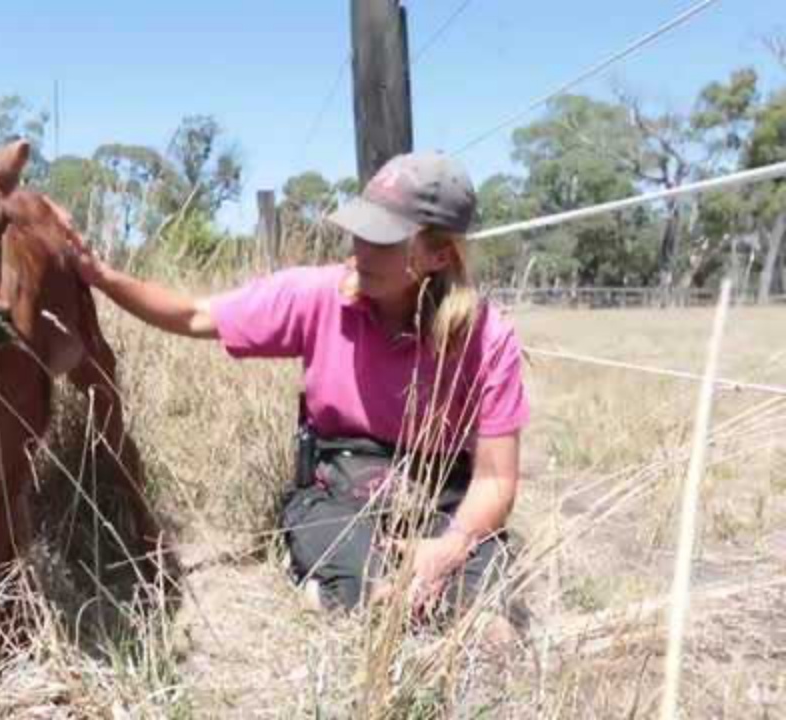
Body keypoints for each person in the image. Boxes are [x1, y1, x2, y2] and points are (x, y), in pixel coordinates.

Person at [68, 152, 529, 639]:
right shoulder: (318, 297)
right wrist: (103, 277)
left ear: (440, 255)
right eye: (360, 232)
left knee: (484, 621)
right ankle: (338, 590)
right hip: (338, 491)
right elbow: (193, 316)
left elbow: (496, 481)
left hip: (442, 497)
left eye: (385, 240)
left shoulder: (487, 338)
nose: (362, 251)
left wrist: (451, 546)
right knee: (380, 596)